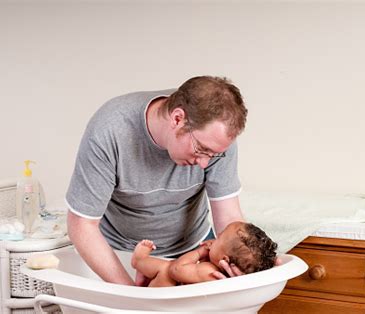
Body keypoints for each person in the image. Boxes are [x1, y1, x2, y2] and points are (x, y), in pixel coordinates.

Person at [66, 76, 248, 285]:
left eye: (213, 155)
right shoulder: (111, 129)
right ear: (178, 119)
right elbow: (82, 225)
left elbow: (228, 216)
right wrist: (131, 296)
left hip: (194, 249)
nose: (205, 164)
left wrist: (250, 261)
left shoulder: (217, 138)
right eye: (202, 150)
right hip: (122, 253)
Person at [131, 221, 278, 287]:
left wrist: (199, 252)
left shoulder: (209, 272)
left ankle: (139, 261)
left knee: (165, 269)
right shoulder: (220, 274)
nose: (214, 239)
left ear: (224, 259)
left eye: (218, 238)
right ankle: (145, 281)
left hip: (160, 300)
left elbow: (176, 269)